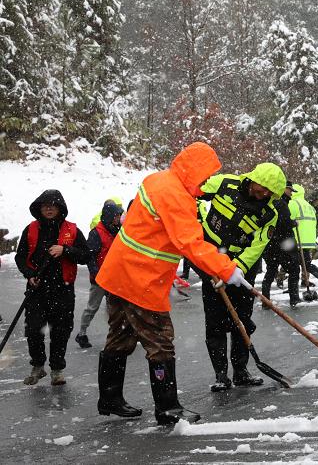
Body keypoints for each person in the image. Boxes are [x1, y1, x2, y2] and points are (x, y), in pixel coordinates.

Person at [95, 142, 247, 425]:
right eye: (205, 175)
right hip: (141, 279)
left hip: (118, 274)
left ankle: (110, 398)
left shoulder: (158, 180)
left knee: (120, 335)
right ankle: (168, 407)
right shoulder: (175, 196)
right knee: (160, 342)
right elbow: (190, 242)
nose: (205, 182)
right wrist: (227, 270)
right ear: (194, 170)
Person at [196, 163, 285, 391]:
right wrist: (195, 220)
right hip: (210, 259)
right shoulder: (224, 184)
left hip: (240, 270)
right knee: (215, 323)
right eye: (262, 187)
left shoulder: (269, 214)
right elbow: (192, 194)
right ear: (252, 179)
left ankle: (241, 371)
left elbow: (257, 246)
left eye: (269, 192)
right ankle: (220, 374)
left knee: (241, 321)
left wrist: (234, 269)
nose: (263, 194)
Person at [14, 189, 90, 386]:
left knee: (61, 331)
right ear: (39, 208)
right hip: (37, 290)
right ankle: (38, 366)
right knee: (33, 330)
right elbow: (20, 257)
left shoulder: (72, 230)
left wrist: (65, 250)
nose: (48, 209)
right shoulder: (30, 229)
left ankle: (57, 369)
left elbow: (85, 255)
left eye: (53, 205)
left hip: (63, 290)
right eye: (45, 205)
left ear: (60, 208)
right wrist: (29, 275)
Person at [75, 202, 124, 349]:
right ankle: (81, 333)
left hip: (113, 278)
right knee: (92, 307)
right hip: (100, 279)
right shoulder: (96, 233)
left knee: (115, 308)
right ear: (110, 216)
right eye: (117, 215)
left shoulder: (117, 230)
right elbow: (90, 257)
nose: (119, 218)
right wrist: (96, 275)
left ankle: (116, 334)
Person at [262, 182, 302, 307]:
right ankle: (294, 299)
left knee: (270, 271)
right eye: (290, 190)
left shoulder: (270, 201)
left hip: (270, 244)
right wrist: (293, 223)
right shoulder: (281, 203)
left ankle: (265, 300)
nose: (291, 193)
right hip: (283, 245)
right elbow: (284, 223)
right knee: (294, 270)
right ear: (284, 189)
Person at [289, 184, 318, 291]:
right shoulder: (309, 206)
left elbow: (288, 220)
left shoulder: (293, 204)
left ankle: (293, 288)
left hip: (298, 241)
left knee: (293, 264)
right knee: (306, 265)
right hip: (307, 240)